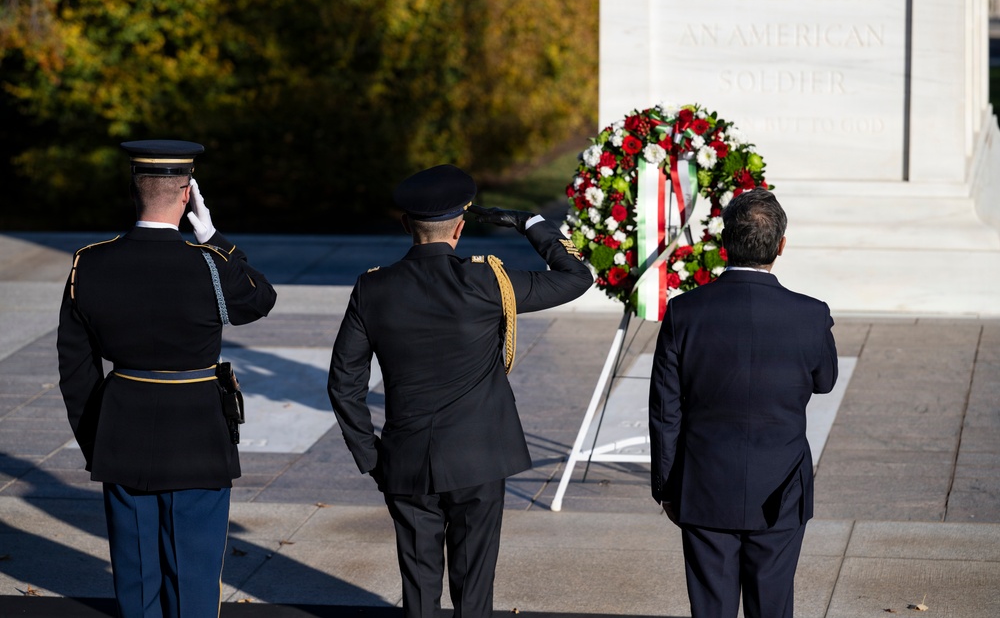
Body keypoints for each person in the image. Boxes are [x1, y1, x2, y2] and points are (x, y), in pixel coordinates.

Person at [327, 164, 593, 618]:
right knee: (473, 594)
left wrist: (371, 457)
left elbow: (343, 383)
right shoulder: (487, 281)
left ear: (406, 224)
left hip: (406, 461)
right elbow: (577, 277)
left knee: (418, 592)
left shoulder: (373, 288)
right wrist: (531, 223)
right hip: (479, 458)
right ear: (460, 228)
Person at [57, 140, 277, 618]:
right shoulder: (209, 262)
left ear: (133, 190)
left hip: (122, 434)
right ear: (187, 194)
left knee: (137, 581)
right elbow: (260, 298)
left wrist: (97, 440)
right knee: (193, 578)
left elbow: (75, 369)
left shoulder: (89, 262)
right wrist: (213, 235)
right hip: (199, 435)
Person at [648, 187, 838, 618]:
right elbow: (825, 381)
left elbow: (664, 411)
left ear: (724, 242)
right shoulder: (811, 315)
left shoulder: (684, 312)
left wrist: (666, 487)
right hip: (781, 487)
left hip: (704, 483)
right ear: (781, 246)